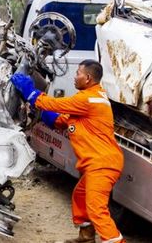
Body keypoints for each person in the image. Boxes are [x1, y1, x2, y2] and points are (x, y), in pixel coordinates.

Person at [11, 59, 125, 243]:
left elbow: (52, 104)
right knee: (80, 196)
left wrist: (30, 92)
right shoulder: (91, 99)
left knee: (97, 209)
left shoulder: (87, 99)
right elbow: (61, 121)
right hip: (98, 163)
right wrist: (42, 112)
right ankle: (86, 237)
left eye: (78, 73)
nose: (74, 76)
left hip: (102, 164)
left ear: (87, 78)